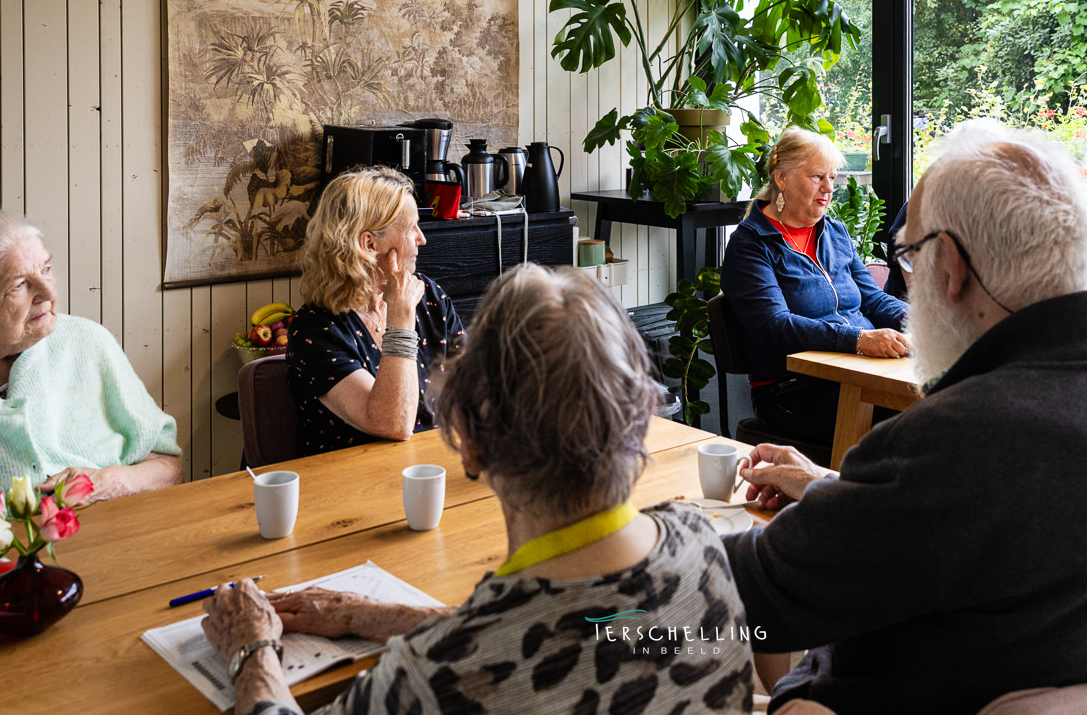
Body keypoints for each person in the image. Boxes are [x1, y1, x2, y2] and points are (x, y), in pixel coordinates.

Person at [723, 119, 1087, 715]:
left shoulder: (955, 441)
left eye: (911, 257)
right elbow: (973, 524)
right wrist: (833, 489)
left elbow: (757, 596)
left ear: (954, 269)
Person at [202, 264, 756, 715]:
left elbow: (521, 636)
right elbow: (579, 626)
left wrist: (252, 649)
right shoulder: (702, 547)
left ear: (468, 441)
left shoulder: (432, 678)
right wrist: (366, 613)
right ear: (636, 417)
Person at [0, 210, 182, 536]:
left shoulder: (87, 343)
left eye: (46, 268)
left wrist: (109, 482)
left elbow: (170, 469)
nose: (48, 292)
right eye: (19, 284)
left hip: (113, 551)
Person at [722, 127, 910, 446]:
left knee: (944, 401)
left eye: (832, 178)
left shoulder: (834, 233)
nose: (828, 188)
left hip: (857, 373)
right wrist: (860, 340)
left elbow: (874, 301)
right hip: (795, 392)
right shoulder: (750, 245)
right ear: (782, 179)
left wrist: (929, 325)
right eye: (817, 177)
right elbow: (774, 326)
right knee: (914, 423)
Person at [288, 167, 465, 455]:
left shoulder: (429, 297)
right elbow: (392, 423)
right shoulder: (314, 330)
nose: (422, 239)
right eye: (411, 229)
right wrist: (401, 319)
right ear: (369, 244)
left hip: (430, 466)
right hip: (353, 485)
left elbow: (475, 386)